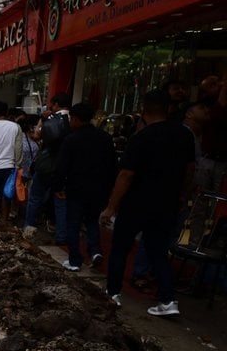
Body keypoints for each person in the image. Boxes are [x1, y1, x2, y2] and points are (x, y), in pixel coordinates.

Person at [100, 90, 196, 316]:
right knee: (158, 251)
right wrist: (183, 195)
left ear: (144, 109)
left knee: (121, 248)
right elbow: (190, 170)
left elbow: (126, 175)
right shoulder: (184, 135)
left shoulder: (141, 138)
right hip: (167, 203)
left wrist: (111, 207)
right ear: (168, 108)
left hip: (137, 202)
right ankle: (168, 299)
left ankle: (112, 293)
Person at [54, 102, 117, 271]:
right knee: (91, 221)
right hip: (99, 189)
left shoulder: (71, 139)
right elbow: (113, 166)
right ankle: (95, 251)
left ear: (74, 119)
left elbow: (62, 166)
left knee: (73, 223)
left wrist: (58, 186)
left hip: (77, 188)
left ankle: (75, 260)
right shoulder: (105, 138)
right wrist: (110, 189)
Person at [24, 93, 71, 241]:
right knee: (60, 200)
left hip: (46, 166)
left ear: (56, 104)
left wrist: (41, 121)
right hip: (64, 168)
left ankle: (29, 227)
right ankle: (61, 234)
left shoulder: (51, 120)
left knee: (35, 197)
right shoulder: (74, 121)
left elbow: (36, 136)